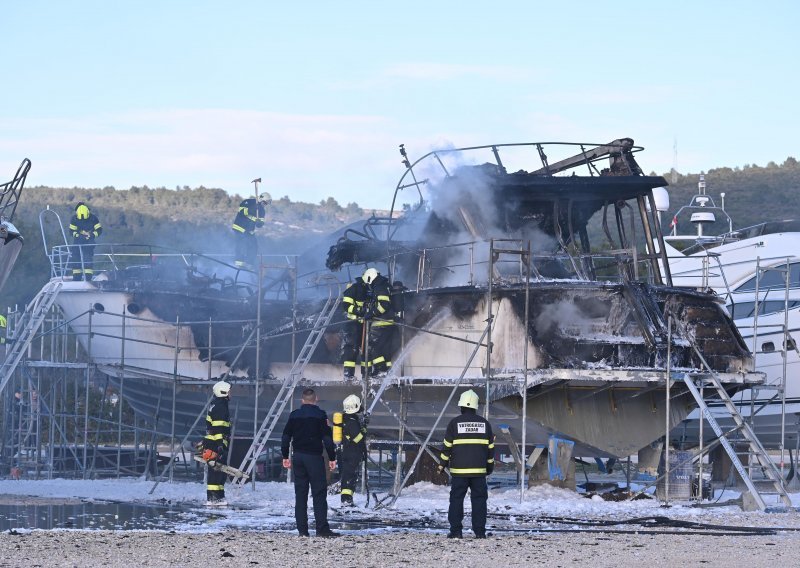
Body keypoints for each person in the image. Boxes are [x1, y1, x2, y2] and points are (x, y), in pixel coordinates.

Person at [281, 388, 339, 537]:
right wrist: (332, 458)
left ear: (302, 400)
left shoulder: (294, 415)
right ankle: (321, 529)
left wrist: (285, 456)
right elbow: (327, 439)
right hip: (314, 457)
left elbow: (286, 436)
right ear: (316, 399)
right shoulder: (320, 415)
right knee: (319, 493)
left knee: (300, 494)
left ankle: (302, 531)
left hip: (298, 457)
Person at [438, 389, 495, 539]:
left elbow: (446, 447)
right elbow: (490, 450)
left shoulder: (454, 423)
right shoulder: (485, 424)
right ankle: (480, 532)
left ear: (461, 406)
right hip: (478, 472)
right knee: (479, 501)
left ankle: (456, 531)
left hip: (459, 472)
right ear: (476, 406)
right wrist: (489, 467)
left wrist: (442, 464)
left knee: (456, 500)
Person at [341, 267, 394, 379]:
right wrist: (361, 311)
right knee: (352, 348)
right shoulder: (354, 289)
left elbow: (381, 304)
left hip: (365, 323)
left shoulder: (374, 289)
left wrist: (371, 313)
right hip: (353, 324)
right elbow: (346, 306)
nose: (367, 287)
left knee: (367, 349)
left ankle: (368, 373)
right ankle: (348, 374)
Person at [202, 380, 232, 506]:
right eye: (229, 391)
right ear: (223, 392)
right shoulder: (220, 407)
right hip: (216, 443)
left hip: (214, 442)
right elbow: (218, 428)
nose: (231, 393)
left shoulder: (217, 404)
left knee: (219, 471)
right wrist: (220, 445)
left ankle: (218, 497)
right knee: (216, 471)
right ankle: (213, 498)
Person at [339, 394, 368, 507]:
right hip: (352, 453)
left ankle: (347, 499)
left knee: (348, 475)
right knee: (350, 476)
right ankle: (346, 500)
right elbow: (357, 438)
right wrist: (364, 429)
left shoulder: (346, 418)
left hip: (348, 452)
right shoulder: (352, 421)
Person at [231, 192, 271, 271]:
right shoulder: (248, 202)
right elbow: (242, 211)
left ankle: (249, 264)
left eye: (266, 204)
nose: (265, 205)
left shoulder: (262, 210)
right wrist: (253, 209)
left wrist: (260, 223)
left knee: (254, 246)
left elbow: (260, 224)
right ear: (261, 200)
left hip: (249, 231)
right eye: (265, 202)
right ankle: (239, 265)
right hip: (240, 228)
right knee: (241, 245)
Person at [68, 202, 102, 281]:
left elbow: (99, 230)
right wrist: (78, 235)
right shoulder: (74, 218)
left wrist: (92, 235)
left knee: (88, 260)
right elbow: (71, 231)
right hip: (77, 243)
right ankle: (76, 279)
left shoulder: (93, 218)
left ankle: (88, 279)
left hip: (89, 243)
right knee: (76, 261)